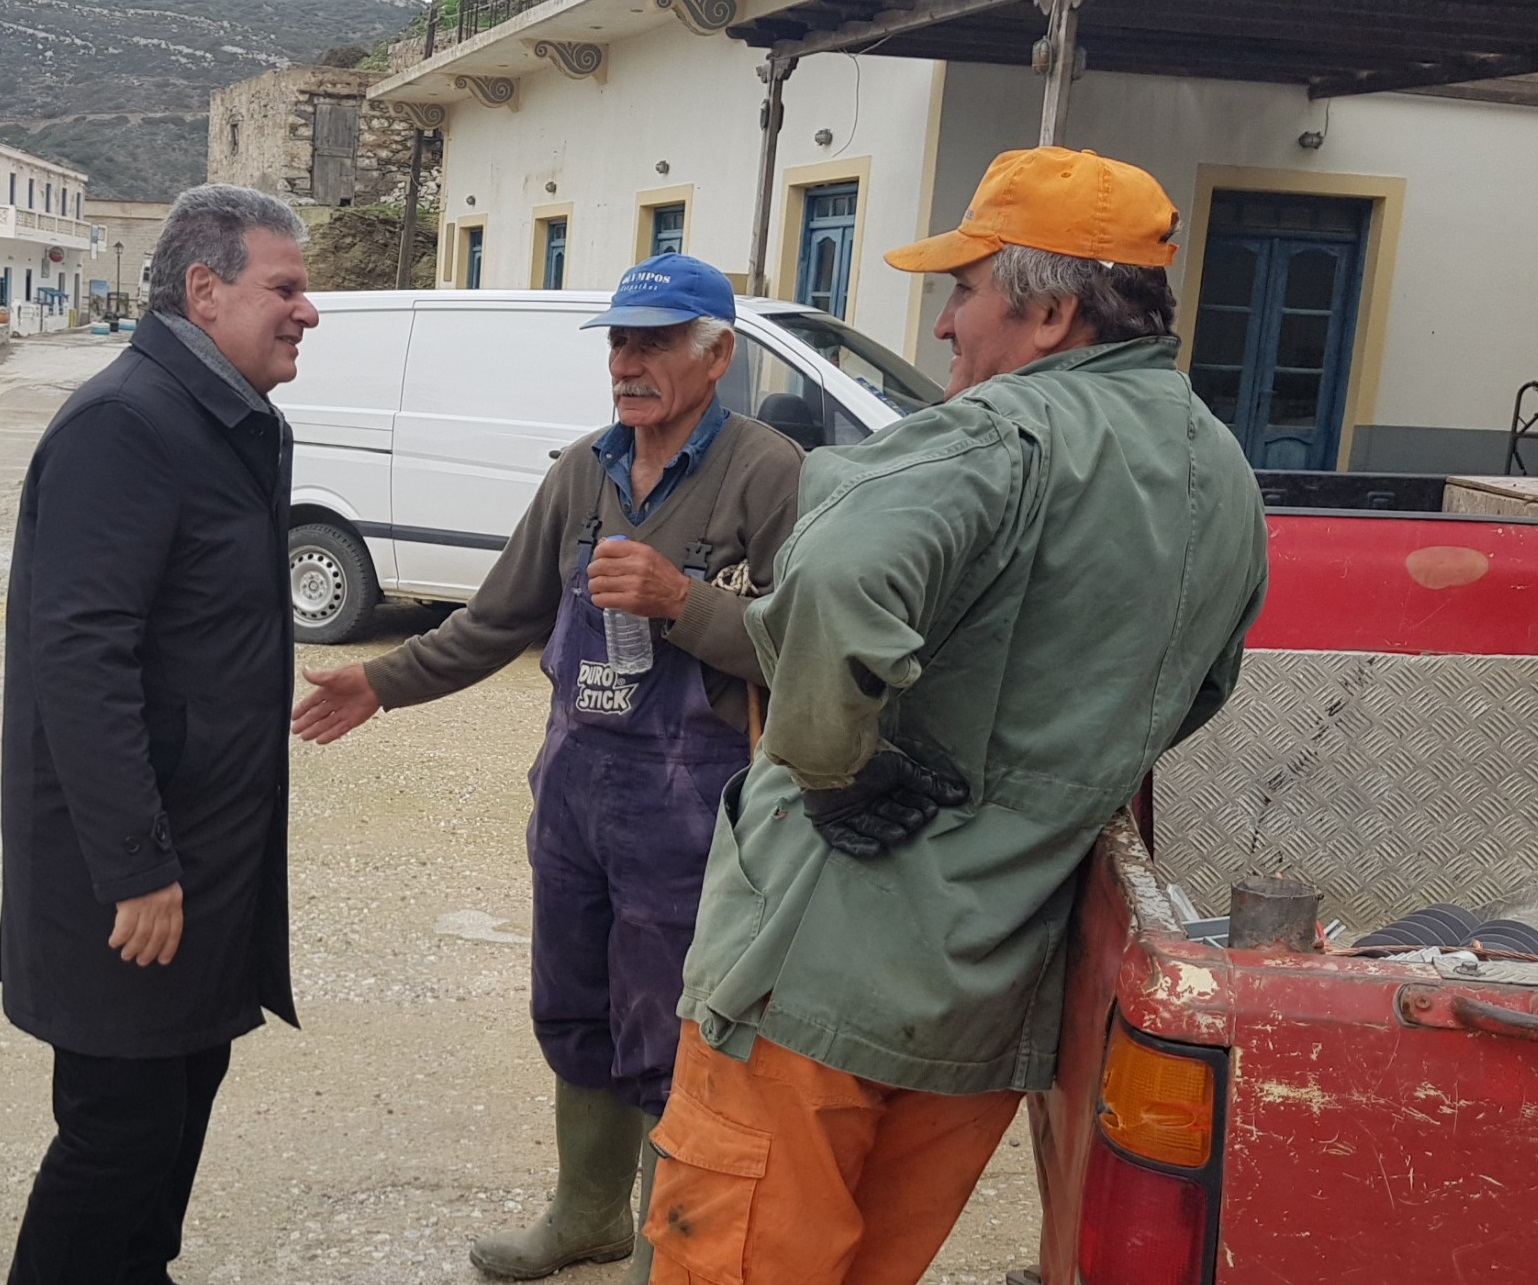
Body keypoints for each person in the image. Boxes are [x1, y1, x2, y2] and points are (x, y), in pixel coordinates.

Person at [642, 146, 1270, 1284]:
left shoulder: (995, 433)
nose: (942, 324)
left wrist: (835, 769)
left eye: (964, 289)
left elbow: (833, 579)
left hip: (814, 969)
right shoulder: (1219, 474)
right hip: (985, 990)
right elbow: (1199, 690)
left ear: (1051, 313)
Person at [291, 252, 804, 1283]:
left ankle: (670, 1250)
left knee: (674, 1030)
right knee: (574, 1005)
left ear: (718, 357)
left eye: (655, 342)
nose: (628, 362)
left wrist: (684, 602)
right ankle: (587, 1215)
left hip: (695, 810)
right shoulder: (583, 469)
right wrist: (381, 681)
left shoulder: (770, 472)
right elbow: (497, 618)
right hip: (576, 793)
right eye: (619, 342)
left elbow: (811, 649)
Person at [2, 184, 318, 1284]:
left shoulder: (229, 419)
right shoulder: (126, 424)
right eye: (285, 287)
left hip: (208, 858)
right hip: (133, 869)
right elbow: (79, 662)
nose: (308, 310)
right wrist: (137, 866)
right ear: (204, 289)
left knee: (183, 1091)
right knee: (120, 1130)